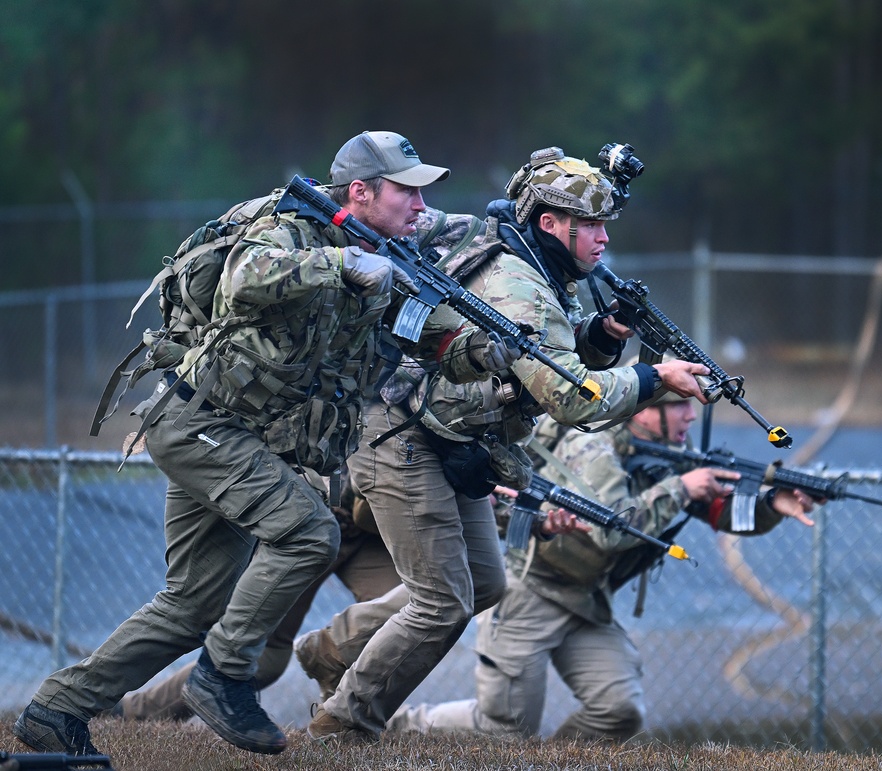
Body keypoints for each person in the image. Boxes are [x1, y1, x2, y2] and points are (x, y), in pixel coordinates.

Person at [12, 130, 513, 757]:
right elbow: (246, 279)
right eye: (407, 192)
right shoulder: (290, 228)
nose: (420, 206)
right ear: (360, 192)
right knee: (308, 532)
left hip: (236, 436)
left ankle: (56, 710)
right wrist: (342, 265)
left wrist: (489, 352)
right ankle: (223, 677)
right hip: (199, 423)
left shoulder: (392, 259)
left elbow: (434, 341)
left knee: (192, 603)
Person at [298, 145, 713, 744]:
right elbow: (574, 399)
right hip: (400, 434)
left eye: (604, 225)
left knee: (485, 585)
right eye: (590, 226)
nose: (602, 240)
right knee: (441, 602)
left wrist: (602, 332)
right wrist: (656, 379)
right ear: (550, 224)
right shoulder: (522, 286)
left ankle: (330, 654)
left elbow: (553, 361)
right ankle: (344, 725)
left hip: (454, 437)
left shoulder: (546, 270)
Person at [383, 388, 818, 741]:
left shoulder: (667, 453)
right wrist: (683, 489)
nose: (690, 416)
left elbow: (724, 515)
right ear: (644, 410)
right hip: (530, 592)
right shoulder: (592, 446)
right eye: (679, 404)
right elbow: (613, 527)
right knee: (504, 729)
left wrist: (770, 504)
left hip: (586, 603)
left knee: (619, 711)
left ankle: (561, 763)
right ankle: (395, 727)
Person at [109, 478, 400, 722]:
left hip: (369, 534)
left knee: (410, 621)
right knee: (264, 658)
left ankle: (348, 720)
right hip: (311, 526)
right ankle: (136, 712)